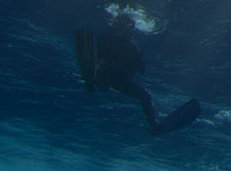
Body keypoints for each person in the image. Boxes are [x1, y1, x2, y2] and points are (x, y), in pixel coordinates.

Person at [72, 14, 201, 136]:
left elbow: (141, 69)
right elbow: (98, 52)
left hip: (120, 80)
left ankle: (154, 125)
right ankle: (93, 82)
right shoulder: (109, 35)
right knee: (103, 77)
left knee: (145, 96)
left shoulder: (132, 45)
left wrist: (136, 58)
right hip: (106, 73)